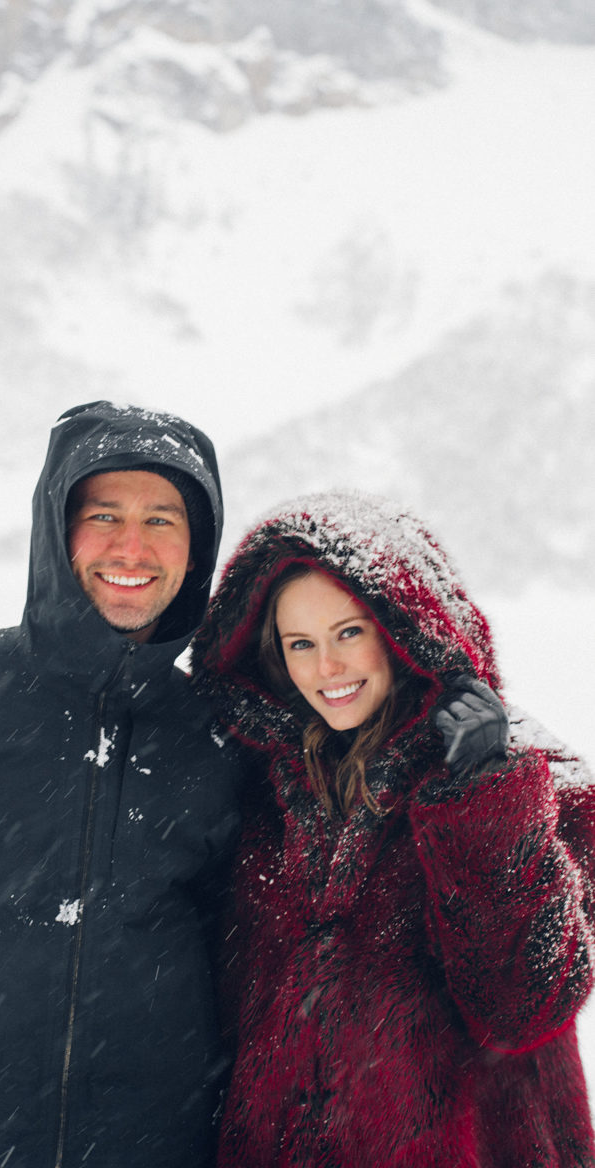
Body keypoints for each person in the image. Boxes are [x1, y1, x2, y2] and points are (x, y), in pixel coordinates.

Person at [192, 490, 595, 1168]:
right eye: (301, 643)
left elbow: (523, 1009)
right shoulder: (256, 792)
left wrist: (485, 802)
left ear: (406, 629)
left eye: (349, 631)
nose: (328, 669)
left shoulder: (541, 786)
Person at [0, 400, 240, 1168]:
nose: (132, 546)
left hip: (151, 1146)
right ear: (58, 532)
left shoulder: (222, 738)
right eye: (104, 514)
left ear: (196, 548)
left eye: (163, 520)